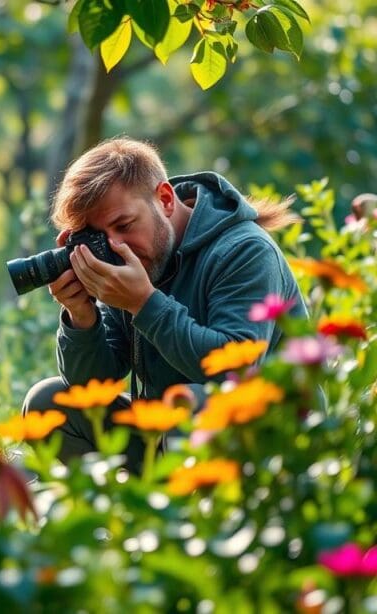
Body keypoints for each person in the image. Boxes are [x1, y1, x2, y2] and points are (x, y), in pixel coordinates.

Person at [22, 137, 307, 471]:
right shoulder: (133, 258)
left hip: (266, 441)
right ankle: (129, 515)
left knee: (185, 405)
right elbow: (90, 388)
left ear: (165, 199)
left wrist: (144, 303)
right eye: (99, 237)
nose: (114, 246)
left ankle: (196, 519)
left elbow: (235, 368)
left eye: (124, 225)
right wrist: (81, 317)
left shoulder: (244, 250)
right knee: (48, 403)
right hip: (168, 433)